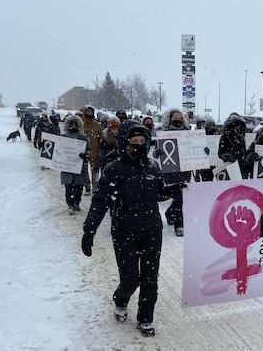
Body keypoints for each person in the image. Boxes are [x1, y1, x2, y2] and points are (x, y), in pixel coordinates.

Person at [81, 120, 186, 337]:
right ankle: (121, 300)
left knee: (150, 278)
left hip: (151, 231)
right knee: (130, 279)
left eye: (142, 141)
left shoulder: (152, 167)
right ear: (124, 142)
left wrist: (174, 189)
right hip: (124, 231)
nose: (138, 145)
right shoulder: (114, 169)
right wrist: (89, 230)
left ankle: (145, 318)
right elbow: (100, 201)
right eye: (133, 141)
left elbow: (158, 194)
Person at [154, 108, 191, 236]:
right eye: (174, 118)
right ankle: (178, 223)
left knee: (181, 197)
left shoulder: (188, 133)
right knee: (177, 196)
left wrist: (204, 151)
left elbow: (195, 149)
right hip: (170, 171)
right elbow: (156, 151)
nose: (177, 120)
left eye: (179, 118)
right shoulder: (164, 134)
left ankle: (170, 213)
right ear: (169, 119)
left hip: (184, 170)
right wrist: (157, 152)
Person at [60, 115, 91, 214]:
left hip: (80, 167)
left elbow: (89, 150)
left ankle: (77, 203)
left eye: (75, 125)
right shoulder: (63, 137)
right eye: (71, 125)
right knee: (68, 187)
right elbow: (58, 150)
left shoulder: (83, 137)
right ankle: (70, 205)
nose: (73, 127)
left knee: (79, 187)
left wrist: (85, 155)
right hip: (67, 167)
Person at [218, 113, 251, 179]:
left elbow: (244, 151)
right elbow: (220, 153)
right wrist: (226, 156)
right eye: (236, 126)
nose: (238, 128)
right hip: (230, 166)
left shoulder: (241, 137)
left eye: (239, 126)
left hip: (241, 166)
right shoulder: (225, 137)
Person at [81, 106, 103, 195]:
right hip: (83, 151)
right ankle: (87, 187)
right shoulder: (81, 124)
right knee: (84, 170)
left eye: (91, 112)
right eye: (88, 112)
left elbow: (100, 137)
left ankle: (95, 186)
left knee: (95, 169)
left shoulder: (96, 125)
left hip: (95, 150)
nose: (89, 113)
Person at [194, 116, 217, 182]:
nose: (211, 127)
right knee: (206, 179)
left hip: (213, 163)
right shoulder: (202, 136)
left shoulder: (216, 136)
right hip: (204, 164)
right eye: (210, 125)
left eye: (213, 125)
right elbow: (198, 151)